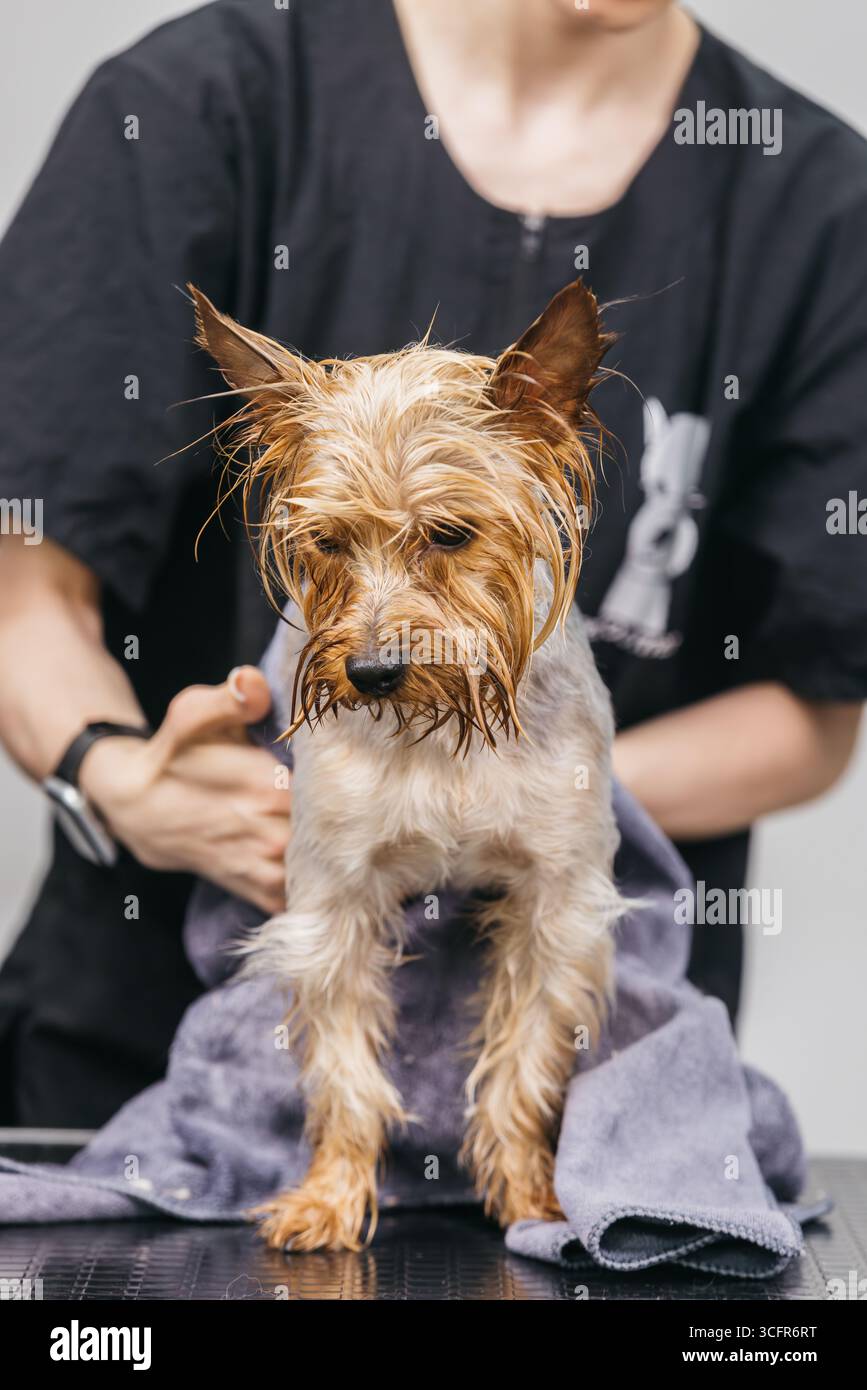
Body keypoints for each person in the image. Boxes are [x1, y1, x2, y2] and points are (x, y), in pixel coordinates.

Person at [0, 0, 864, 1126]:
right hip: (139, 1065)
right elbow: (25, 589)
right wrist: (111, 769)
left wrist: (515, 805)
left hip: (580, 1097)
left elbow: (814, 710)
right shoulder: (201, 101)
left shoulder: (814, 202)